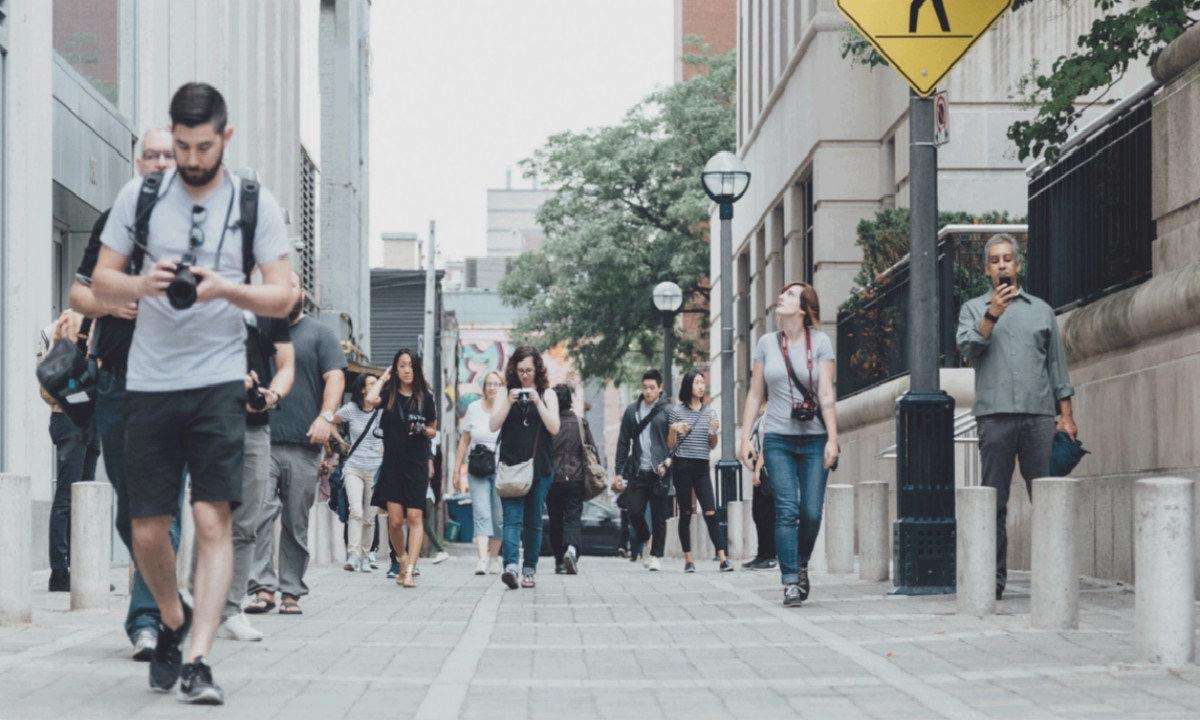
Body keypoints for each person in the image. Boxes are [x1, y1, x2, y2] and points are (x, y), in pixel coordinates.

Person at [90, 82, 294, 703]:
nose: (191, 159)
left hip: (217, 380)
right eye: (181, 146)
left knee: (212, 518)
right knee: (147, 529)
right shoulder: (141, 195)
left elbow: (284, 295)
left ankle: (199, 658)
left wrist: (226, 289)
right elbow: (99, 279)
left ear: (225, 137)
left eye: (203, 147)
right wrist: (139, 285)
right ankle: (172, 619)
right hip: (150, 381)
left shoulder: (254, 202)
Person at [69, 127, 180, 657]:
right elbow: (78, 293)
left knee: (162, 505)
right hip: (116, 379)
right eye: (151, 155)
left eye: (169, 155)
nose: (159, 163)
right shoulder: (114, 222)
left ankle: (147, 621)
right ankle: (161, 589)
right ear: (139, 164)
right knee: (130, 507)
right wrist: (109, 304)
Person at [956, 233, 1077, 601]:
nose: (1002, 265)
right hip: (994, 418)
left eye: (1007, 258)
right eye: (995, 260)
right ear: (986, 269)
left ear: (1018, 264)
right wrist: (992, 313)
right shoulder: (973, 309)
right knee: (994, 501)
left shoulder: (1041, 310)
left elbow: (1057, 368)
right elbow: (968, 349)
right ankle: (992, 580)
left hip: (1039, 416)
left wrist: (1066, 417)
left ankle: (1053, 578)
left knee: (1047, 499)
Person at [244, 278, 346, 616]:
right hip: (261, 438)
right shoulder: (258, 332)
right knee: (259, 514)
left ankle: (291, 590)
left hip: (305, 443)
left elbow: (335, 377)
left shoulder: (320, 334)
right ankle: (262, 588)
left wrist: (326, 417)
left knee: (295, 520)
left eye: (292, 287)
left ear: (302, 294)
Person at [738, 282, 840, 607]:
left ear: (804, 308)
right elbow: (756, 393)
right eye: (782, 292)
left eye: (791, 294)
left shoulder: (820, 342)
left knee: (811, 512)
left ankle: (801, 563)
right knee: (786, 510)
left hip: (814, 438)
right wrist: (744, 437)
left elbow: (826, 392)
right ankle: (791, 581)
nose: (782, 296)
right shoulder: (766, 343)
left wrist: (833, 439)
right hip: (778, 438)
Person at [218, 290, 296, 642]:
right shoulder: (206, 296)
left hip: (254, 427)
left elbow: (286, 365)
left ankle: (231, 609)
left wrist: (271, 395)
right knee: (210, 516)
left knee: (247, 521)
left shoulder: (270, 307)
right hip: (209, 420)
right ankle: (198, 602)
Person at [37, 311, 100, 593]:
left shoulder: (97, 320)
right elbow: (50, 385)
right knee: (67, 496)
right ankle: (60, 573)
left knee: (85, 497)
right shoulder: (68, 322)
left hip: (88, 421)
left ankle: (81, 571)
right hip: (69, 420)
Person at [364, 348, 438, 588]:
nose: (407, 370)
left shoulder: (425, 397)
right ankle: (402, 559)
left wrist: (423, 430)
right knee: (395, 521)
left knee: (415, 516)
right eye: (402, 366)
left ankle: (410, 571)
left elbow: (433, 429)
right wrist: (384, 378)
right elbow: (369, 400)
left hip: (416, 463)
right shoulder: (389, 395)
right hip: (393, 464)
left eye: (411, 365)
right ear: (396, 369)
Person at [489, 346, 561, 589]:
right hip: (511, 466)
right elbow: (493, 425)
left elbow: (554, 428)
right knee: (511, 520)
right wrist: (508, 402)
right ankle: (510, 567)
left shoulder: (548, 394)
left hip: (539, 468)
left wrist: (538, 402)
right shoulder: (505, 392)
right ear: (514, 370)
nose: (525, 375)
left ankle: (529, 569)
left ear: (537, 369)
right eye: (520, 370)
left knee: (533, 521)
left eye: (529, 370)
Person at [665, 370, 732, 573]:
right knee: (686, 512)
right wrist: (674, 429)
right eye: (696, 383)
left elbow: (712, 444)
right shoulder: (676, 411)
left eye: (703, 382)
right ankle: (688, 559)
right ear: (688, 386)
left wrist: (713, 431)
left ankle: (723, 558)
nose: (701, 386)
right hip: (682, 466)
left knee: (711, 511)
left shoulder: (710, 412)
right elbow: (670, 446)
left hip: (702, 466)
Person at [613, 370, 672, 572]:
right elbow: (623, 442)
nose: (648, 391)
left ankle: (656, 555)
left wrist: (668, 462)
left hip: (660, 471)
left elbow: (675, 442)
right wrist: (618, 471)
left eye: (652, 388)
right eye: (645, 387)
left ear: (660, 389)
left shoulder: (668, 410)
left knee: (659, 515)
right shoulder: (632, 411)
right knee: (634, 511)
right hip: (638, 471)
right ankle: (647, 538)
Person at [453, 372, 504, 574]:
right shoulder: (474, 408)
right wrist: (456, 469)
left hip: (501, 469)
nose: (492, 388)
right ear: (484, 387)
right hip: (478, 468)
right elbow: (464, 440)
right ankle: (482, 559)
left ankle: (494, 558)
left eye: (496, 384)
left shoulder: (506, 408)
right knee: (481, 512)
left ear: (502, 387)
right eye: (489, 384)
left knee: (499, 517)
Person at [333, 374, 385, 572]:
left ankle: (365, 556)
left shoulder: (382, 411)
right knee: (355, 511)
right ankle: (353, 555)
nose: (376, 386)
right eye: (371, 383)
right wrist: (341, 441)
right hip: (353, 467)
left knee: (369, 517)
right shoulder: (351, 409)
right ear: (363, 389)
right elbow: (331, 420)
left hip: (375, 469)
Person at [547, 384, 594, 575]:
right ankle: (572, 550)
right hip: (576, 478)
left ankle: (559, 560)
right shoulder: (580, 423)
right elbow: (591, 449)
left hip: (553, 479)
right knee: (573, 517)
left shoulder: (549, 424)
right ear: (570, 400)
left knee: (555, 519)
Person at [742, 411, 777, 570]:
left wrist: (758, 469)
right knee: (758, 513)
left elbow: (768, 443)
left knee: (767, 514)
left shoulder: (773, 413)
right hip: (761, 465)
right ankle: (762, 554)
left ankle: (770, 556)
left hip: (768, 467)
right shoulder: (762, 416)